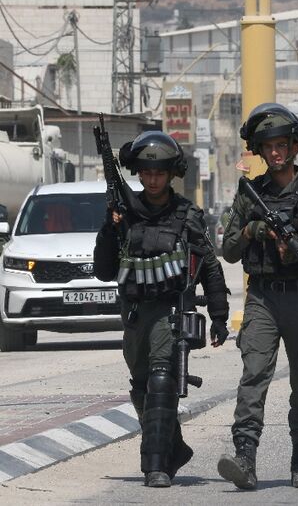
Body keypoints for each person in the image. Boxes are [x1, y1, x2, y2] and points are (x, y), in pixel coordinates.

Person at [217, 103, 298, 490]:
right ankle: (245, 457)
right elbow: (227, 250)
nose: (275, 153)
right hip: (263, 297)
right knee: (253, 374)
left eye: (282, 146)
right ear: (260, 151)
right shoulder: (249, 195)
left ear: (294, 147)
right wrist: (255, 230)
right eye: (268, 147)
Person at [93, 131, 230, 488]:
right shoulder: (125, 213)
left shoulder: (187, 215)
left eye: (160, 172)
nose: (153, 179)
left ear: (171, 174)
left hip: (171, 311)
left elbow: (210, 268)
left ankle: (155, 465)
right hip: (135, 314)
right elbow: (104, 271)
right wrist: (110, 229)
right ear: (138, 173)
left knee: (160, 380)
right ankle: (175, 446)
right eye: (147, 172)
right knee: (141, 386)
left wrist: (219, 317)